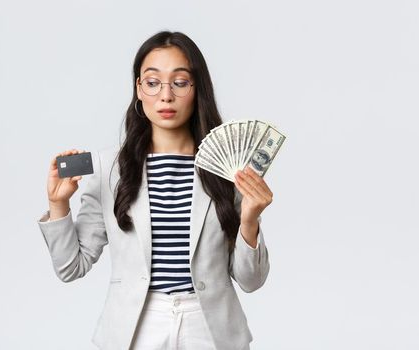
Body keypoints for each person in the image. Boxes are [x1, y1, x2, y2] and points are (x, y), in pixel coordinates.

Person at [38, 31, 273, 350]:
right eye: (152, 82)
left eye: (180, 82)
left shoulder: (227, 169)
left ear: (197, 89)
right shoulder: (108, 168)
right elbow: (71, 267)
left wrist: (250, 222)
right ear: (138, 89)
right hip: (136, 328)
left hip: (211, 329)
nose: (166, 96)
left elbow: (251, 281)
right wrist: (58, 205)